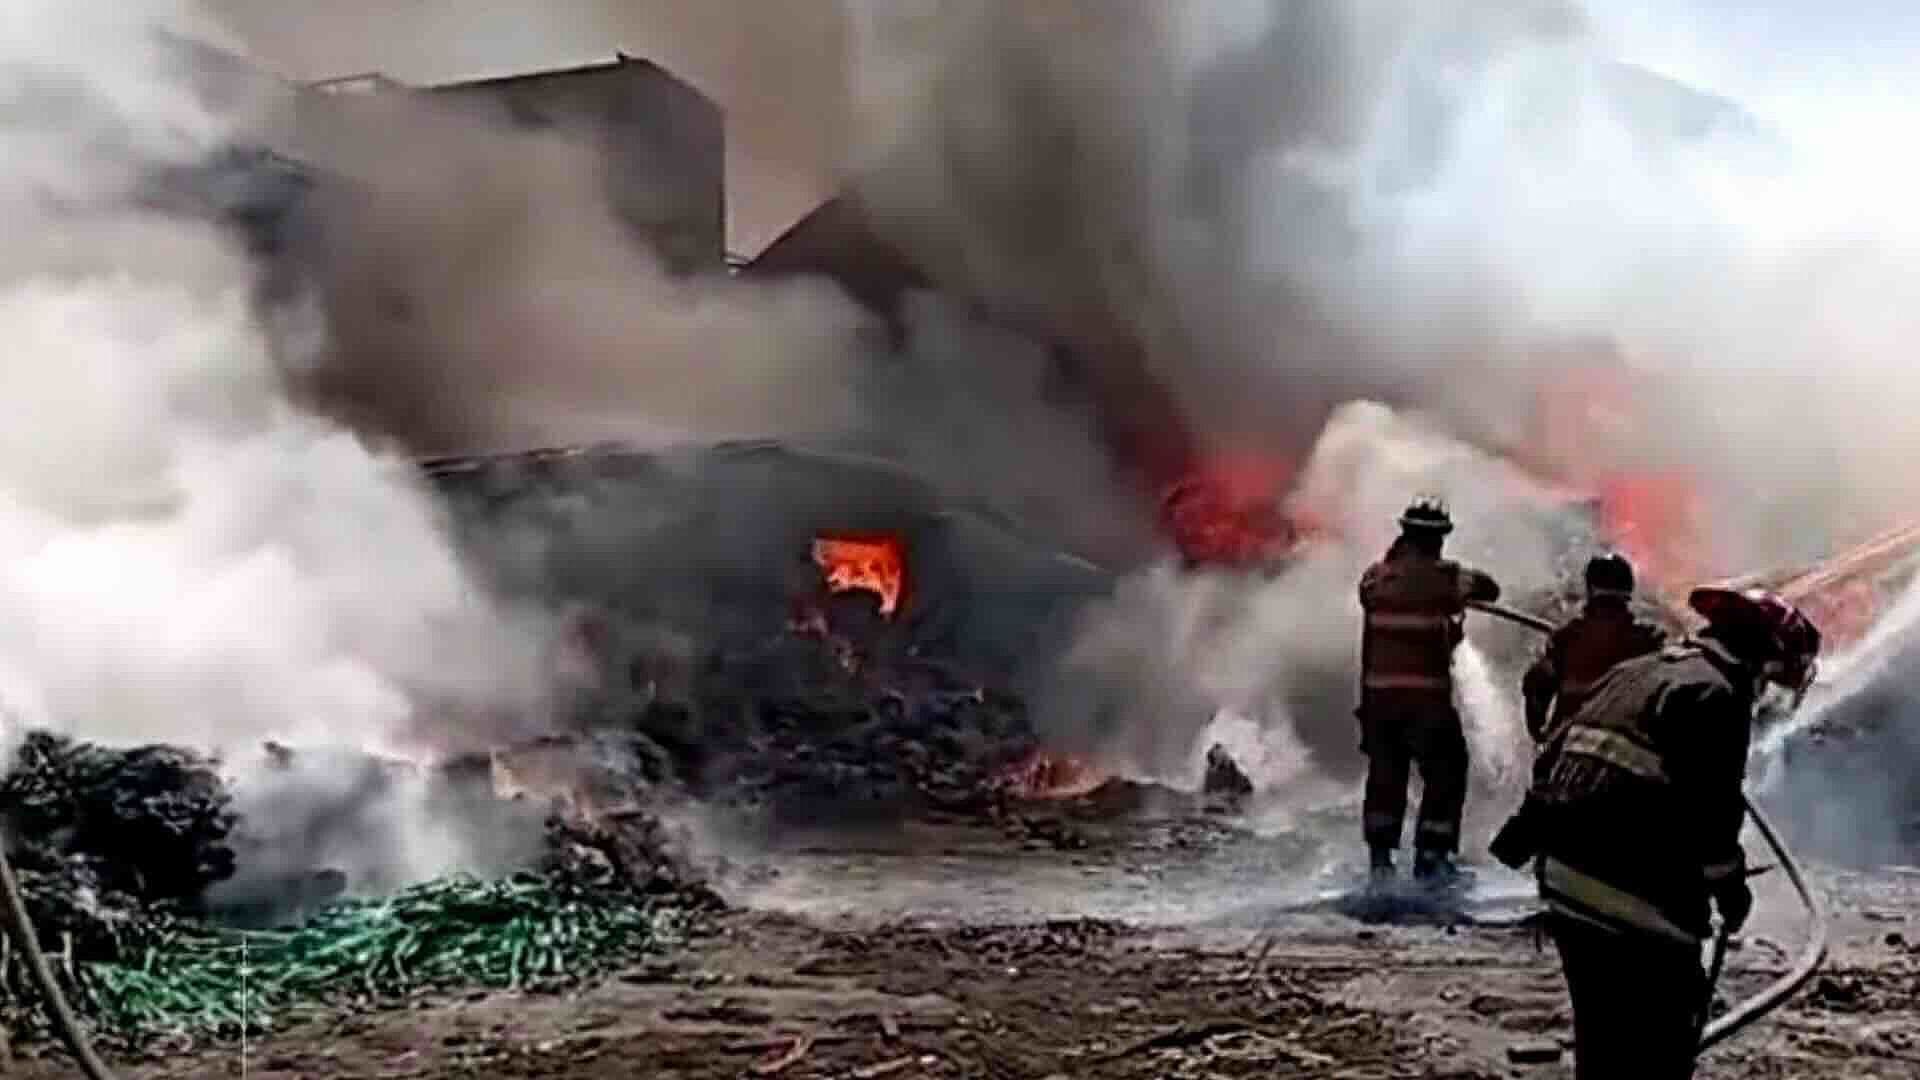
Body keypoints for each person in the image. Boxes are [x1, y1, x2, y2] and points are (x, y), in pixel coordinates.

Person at [1499, 586, 1820, 1079]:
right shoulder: (1717, 693)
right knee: (1661, 1039)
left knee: (1603, 1039)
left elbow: (1556, 753)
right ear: (1763, 656)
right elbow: (1711, 818)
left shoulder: (1637, 669)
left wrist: (1523, 837)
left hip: (1565, 883)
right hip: (1628, 896)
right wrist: (1732, 892)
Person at [1356, 496, 1501, 887]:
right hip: (1426, 703)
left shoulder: (1374, 578)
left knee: (1385, 776)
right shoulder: (1447, 578)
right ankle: (1432, 857)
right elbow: (1491, 589)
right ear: (1438, 539)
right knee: (1448, 771)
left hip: (1379, 702)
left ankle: (1380, 860)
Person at [1520, 552, 1668, 746]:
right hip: (1630, 750)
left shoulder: (1565, 637)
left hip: (1569, 746)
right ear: (1629, 590)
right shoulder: (1650, 639)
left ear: (1589, 590)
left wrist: (1539, 733)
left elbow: (1537, 684)